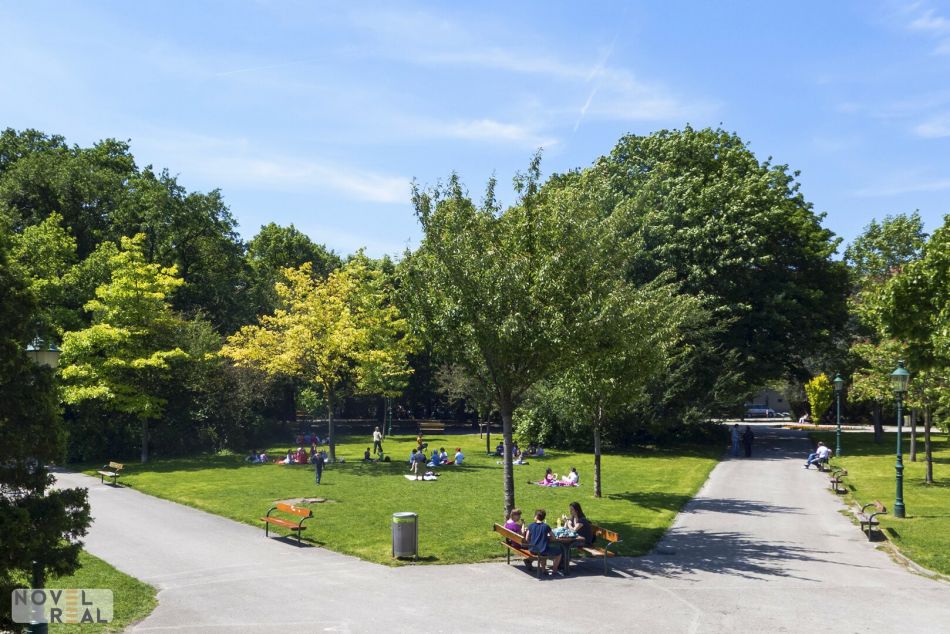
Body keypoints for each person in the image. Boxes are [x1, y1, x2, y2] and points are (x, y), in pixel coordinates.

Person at [524, 509, 562, 576]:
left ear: (536, 516)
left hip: (532, 549)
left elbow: (527, 538)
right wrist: (547, 538)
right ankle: (554, 571)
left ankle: (544, 570)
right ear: (543, 517)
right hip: (542, 550)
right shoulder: (546, 526)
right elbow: (554, 537)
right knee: (559, 552)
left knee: (543, 550)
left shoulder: (531, 525)